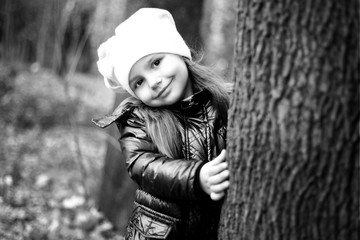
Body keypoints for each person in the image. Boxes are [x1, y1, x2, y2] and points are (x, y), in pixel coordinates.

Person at [93, 8, 231, 240]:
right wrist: (196, 178)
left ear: (179, 53)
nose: (154, 82)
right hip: (160, 234)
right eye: (139, 82)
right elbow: (143, 165)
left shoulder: (223, 101)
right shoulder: (138, 118)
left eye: (156, 62)